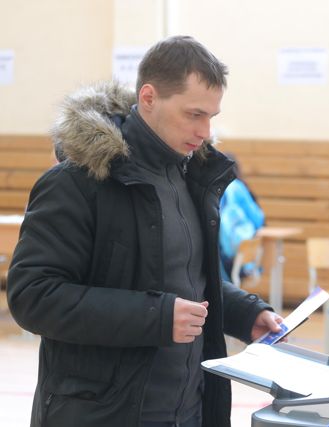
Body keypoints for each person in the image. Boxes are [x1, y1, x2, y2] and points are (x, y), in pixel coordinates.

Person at [7, 36, 283, 427]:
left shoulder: (191, 177)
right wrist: (156, 316)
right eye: (193, 114)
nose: (204, 130)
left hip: (188, 410)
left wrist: (244, 312)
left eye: (211, 116)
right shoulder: (75, 183)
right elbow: (32, 296)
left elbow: (187, 278)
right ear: (149, 97)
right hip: (101, 414)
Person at [218, 158, 265, 282]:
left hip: (220, 255)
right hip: (237, 256)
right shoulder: (238, 187)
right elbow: (258, 219)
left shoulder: (211, 186)